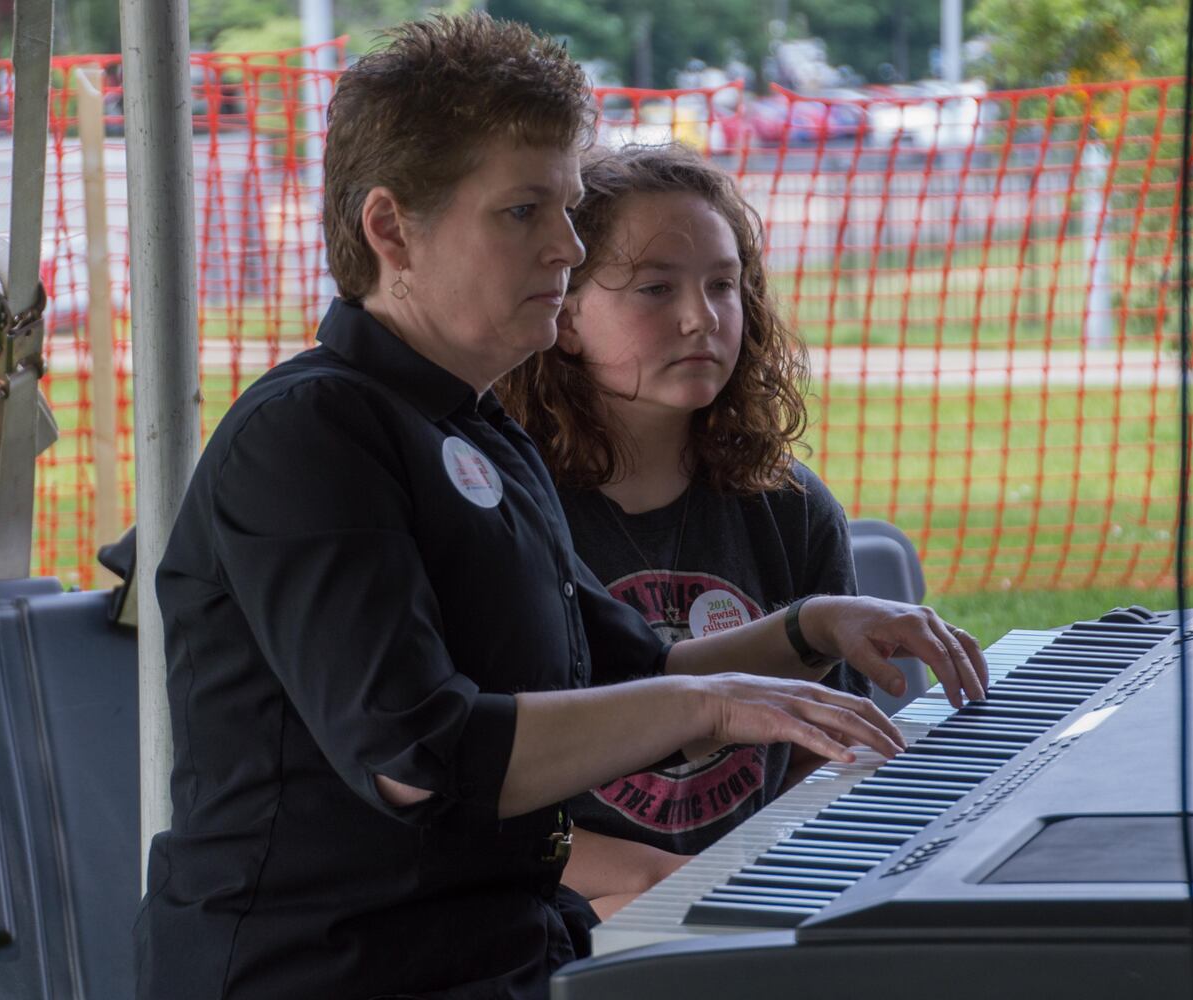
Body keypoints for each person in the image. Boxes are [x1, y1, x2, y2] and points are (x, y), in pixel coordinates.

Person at [134, 14, 987, 1000]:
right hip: (327, 970)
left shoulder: (481, 437)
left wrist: (809, 631)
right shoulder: (310, 432)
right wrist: (704, 704)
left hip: (504, 954)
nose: (567, 247)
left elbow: (639, 671)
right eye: (524, 211)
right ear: (389, 228)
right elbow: (417, 756)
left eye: (571, 208)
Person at [497, 143, 876, 921]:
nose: (700, 316)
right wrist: (646, 882)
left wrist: (758, 884)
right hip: (570, 910)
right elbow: (472, 785)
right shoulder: (506, 510)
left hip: (754, 910)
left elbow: (828, 754)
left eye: (723, 285)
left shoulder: (792, 508)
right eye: (655, 287)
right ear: (566, 316)